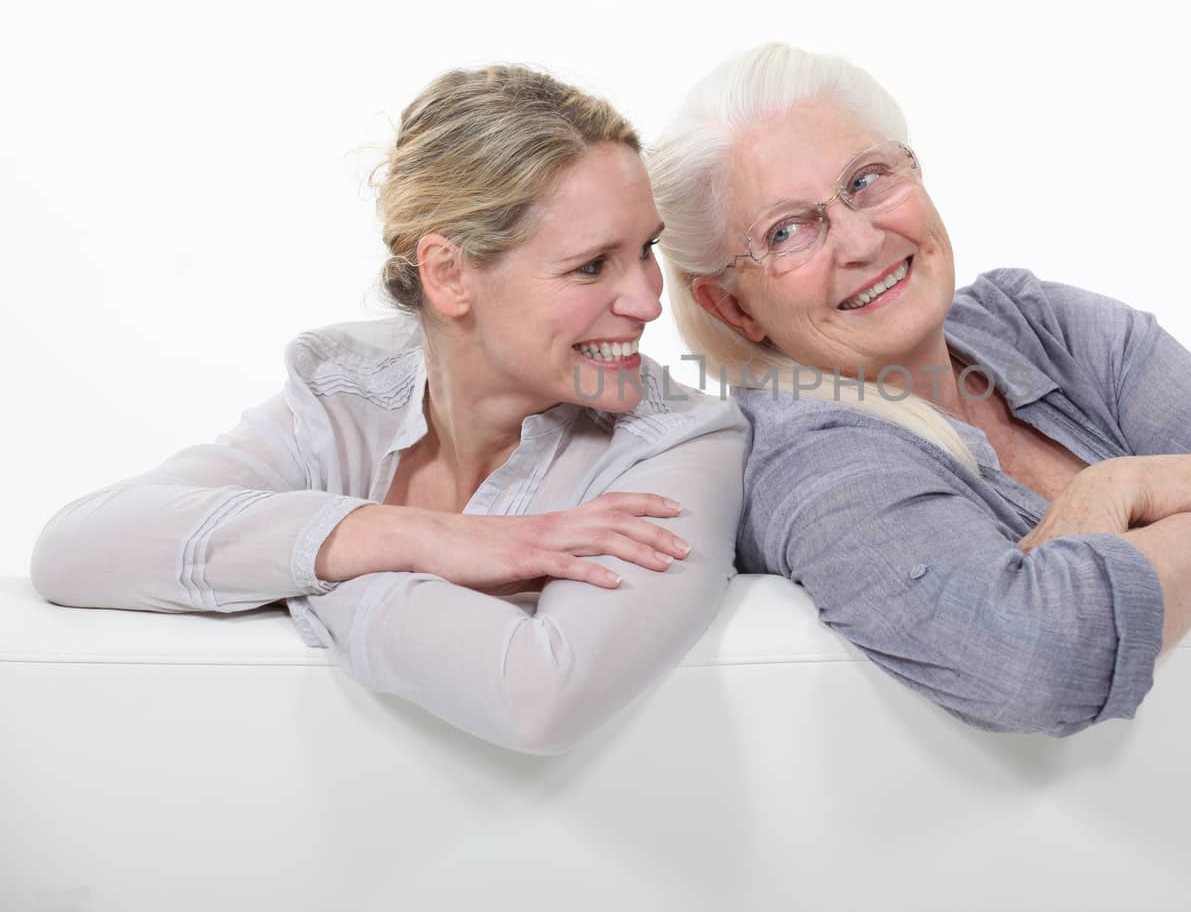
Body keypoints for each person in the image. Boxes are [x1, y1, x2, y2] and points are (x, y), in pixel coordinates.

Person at [648, 43, 1191, 738]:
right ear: (733, 307)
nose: (861, 240)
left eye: (867, 179)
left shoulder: (1035, 320)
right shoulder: (805, 464)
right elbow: (1037, 660)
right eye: (788, 231)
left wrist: (1128, 485)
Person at [31, 65, 748, 754]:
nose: (650, 301)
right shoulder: (346, 395)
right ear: (448, 274)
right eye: (593, 264)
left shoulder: (679, 443)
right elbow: (74, 550)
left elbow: (539, 696)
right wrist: (409, 536)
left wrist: (306, 571)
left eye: (647, 249)